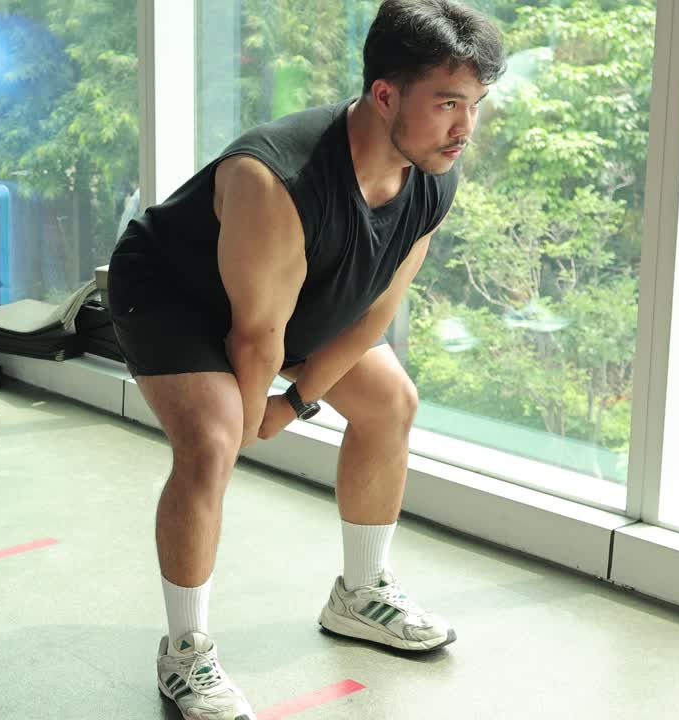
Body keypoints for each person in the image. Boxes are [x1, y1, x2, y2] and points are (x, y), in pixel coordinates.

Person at [106, 1, 505, 717]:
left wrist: (294, 404)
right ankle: (185, 652)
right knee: (212, 440)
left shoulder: (433, 174)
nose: (464, 128)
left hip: (292, 291)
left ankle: (360, 592)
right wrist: (256, 416)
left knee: (391, 403)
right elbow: (257, 338)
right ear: (386, 94)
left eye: (474, 105)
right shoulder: (276, 177)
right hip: (177, 293)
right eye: (448, 104)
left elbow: (376, 306)